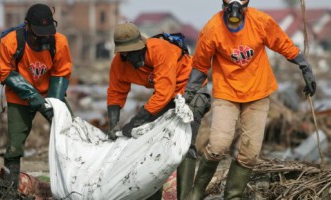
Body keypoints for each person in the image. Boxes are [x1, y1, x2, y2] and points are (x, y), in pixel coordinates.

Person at [184, 0, 317, 199]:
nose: (236, 10)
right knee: (218, 146)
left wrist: (305, 67)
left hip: (258, 93)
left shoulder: (260, 21)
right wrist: (189, 94)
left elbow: (283, 43)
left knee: (250, 154)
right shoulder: (212, 29)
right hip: (226, 94)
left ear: (246, 6)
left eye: (241, 5)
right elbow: (200, 65)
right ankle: (195, 193)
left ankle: (233, 195)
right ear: (224, 6)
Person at [106, 22, 210, 200]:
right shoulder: (119, 63)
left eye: (135, 52)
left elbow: (164, 93)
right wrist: (113, 123)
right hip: (166, 95)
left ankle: (185, 197)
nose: (132, 57)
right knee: (150, 143)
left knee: (184, 144)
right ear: (121, 53)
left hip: (190, 91)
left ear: (142, 45)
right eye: (127, 54)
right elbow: (116, 91)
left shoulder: (161, 50)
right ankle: (152, 196)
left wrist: (135, 121)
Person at [0, 3, 72, 189]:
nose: (44, 38)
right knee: (14, 147)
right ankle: (10, 187)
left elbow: (62, 72)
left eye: (48, 33)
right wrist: (33, 97)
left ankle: (74, 182)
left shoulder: (59, 41)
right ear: (27, 26)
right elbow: (5, 73)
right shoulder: (10, 42)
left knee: (71, 134)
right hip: (19, 96)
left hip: (49, 91)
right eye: (39, 34)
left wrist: (53, 103)